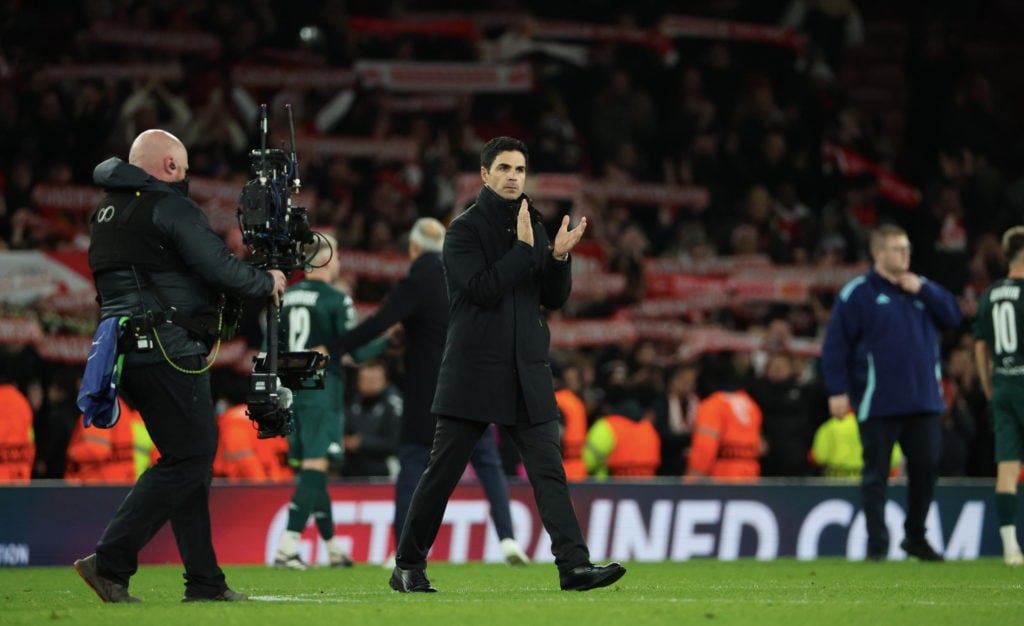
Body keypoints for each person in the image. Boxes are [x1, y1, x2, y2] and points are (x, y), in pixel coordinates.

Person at [389, 136, 625, 593]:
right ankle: (408, 564)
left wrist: (558, 257)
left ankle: (573, 567)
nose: (514, 176)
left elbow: (552, 298)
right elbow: (479, 289)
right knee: (443, 473)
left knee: (548, 470)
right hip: (475, 370)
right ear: (484, 175)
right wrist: (522, 249)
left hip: (527, 369)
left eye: (520, 169)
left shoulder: (534, 222)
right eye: (504, 169)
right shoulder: (462, 230)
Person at [74, 129, 287, 603]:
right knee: (190, 456)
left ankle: (205, 581)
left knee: (189, 460)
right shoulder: (169, 206)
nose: (186, 179)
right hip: (166, 346)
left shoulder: (107, 212)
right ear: (170, 167)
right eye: (185, 170)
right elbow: (219, 269)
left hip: (121, 350)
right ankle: (109, 562)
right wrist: (266, 278)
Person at [333, 217, 531, 566]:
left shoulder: (417, 282)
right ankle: (509, 539)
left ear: (412, 249)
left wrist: (332, 349)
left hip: (430, 395)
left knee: (412, 466)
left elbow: (379, 322)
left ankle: (402, 551)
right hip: (475, 390)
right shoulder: (464, 279)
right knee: (488, 463)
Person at [821, 223, 961, 562]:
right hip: (878, 400)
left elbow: (955, 318)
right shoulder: (858, 293)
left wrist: (925, 288)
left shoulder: (922, 291)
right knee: (875, 476)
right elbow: (835, 346)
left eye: (908, 248)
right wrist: (836, 390)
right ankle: (877, 544)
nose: (906, 255)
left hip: (924, 399)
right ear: (878, 253)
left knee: (926, 468)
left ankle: (915, 536)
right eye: (898, 249)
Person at [273, 233, 389, 570]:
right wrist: (387, 339)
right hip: (323, 389)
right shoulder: (337, 300)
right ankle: (287, 546)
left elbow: (272, 343)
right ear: (322, 260)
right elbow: (358, 350)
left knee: (313, 465)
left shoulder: (285, 296)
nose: (338, 261)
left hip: (290, 389)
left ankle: (333, 547)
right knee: (316, 465)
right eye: (335, 255)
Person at [972, 225, 1024, 566]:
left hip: (1002, 384)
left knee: (1006, 469)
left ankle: (1010, 548)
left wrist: (990, 388)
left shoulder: (989, 294)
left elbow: (980, 347)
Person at [685, 388, 763, 479]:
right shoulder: (751, 405)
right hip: (749, 477)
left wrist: (691, 481)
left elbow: (705, 447)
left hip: (722, 479)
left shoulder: (712, 406)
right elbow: (759, 446)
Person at [342, 360, 402, 478]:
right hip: (353, 471)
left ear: (385, 380)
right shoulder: (354, 402)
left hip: (384, 471)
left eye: (374, 380)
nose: (369, 384)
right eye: (365, 380)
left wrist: (363, 443)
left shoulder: (394, 404)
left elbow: (397, 442)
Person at [582, 399, 660, 478]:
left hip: (606, 487)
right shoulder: (649, 429)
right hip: (647, 488)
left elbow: (586, 463)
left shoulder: (607, 426)